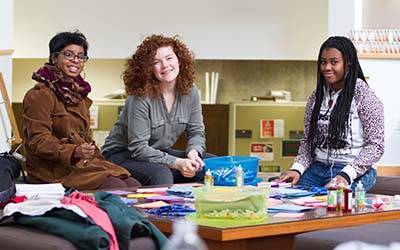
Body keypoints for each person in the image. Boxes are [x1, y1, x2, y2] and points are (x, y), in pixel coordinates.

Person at [22, 31, 141, 190]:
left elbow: (84, 137)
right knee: (116, 186)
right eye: (69, 55)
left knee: (133, 185)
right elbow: (38, 141)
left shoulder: (78, 94)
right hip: (52, 170)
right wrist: (74, 151)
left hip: (80, 165)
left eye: (81, 56)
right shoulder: (39, 95)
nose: (75, 61)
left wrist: (92, 155)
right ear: (54, 58)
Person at [102, 34, 213, 186]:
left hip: (157, 152)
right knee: (161, 174)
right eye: (156, 62)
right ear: (148, 68)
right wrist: (177, 162)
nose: (165, 65)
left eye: (169, 58)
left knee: (211, 165)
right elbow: (139, 148)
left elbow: (196, 132)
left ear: (179, 59)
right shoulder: (140, 96)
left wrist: (193, 153)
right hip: (122, 155)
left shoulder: (190, 91)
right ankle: (161, 210)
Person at [278, 36, 384, 191]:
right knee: (290, 197)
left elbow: (376, 145)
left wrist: (346, 175)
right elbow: (308, 140)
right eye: (323, 62)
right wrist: (297, 169)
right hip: (318, 168)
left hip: (353, 170)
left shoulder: (364, 96)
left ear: (348, 65)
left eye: (334, 62)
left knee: (334, 205)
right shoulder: (316, 97)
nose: (327, 67)